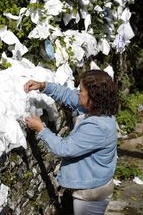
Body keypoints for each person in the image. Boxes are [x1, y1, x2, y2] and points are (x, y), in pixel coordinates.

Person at [23, 70, 118, 215]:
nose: (78, 92)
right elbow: (68, 95)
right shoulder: (97, 107)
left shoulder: (97, 127)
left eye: (81, 90)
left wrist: (41, 129)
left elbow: (65, 148)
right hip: (93, 184)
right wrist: (43, 86)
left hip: (91, 192)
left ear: (92, 96)